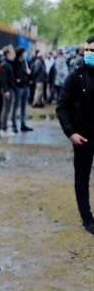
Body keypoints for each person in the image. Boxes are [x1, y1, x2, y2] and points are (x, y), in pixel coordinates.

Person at [56, 35, 94, 234]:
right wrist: (71, 133)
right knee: (82, 178)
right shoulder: (76, 75)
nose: (88, 54)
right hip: (83, 137)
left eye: (92, 51)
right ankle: (87, 218)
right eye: (86, 50)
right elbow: (62, 106)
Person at [11, 47, 33, 133]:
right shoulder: (15, 63)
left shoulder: (25, 62)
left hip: (25, 86)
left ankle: (23, 124)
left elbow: (29, 74)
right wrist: (17, 79)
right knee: (16, 107)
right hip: (18, 87)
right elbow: (13, 74)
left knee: (24, 107)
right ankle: (14, 125)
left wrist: (28, 73)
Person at [0, 46, 16, 137]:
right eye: (12, 51)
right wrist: (6, 90)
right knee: (6, 109)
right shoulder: (5, 64)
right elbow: (3, 79)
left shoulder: (7, 63)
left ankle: (4, 128)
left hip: (9, 88)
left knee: (7, 109)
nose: (14, 53)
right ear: (8, 53)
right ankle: (4, 129)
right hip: (8, 89)